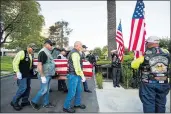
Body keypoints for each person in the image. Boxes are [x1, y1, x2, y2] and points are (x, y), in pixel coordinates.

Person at [131, 36, 170, 113]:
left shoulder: (144, 55)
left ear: (149, 43)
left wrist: (137, 59)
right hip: (163, 82)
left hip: (149, 83)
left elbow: (133, 65)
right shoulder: (166, 52)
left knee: (149, 104)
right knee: (161, 104)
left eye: (146, 43)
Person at [30, 39, 55, 110]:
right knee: (44, 90)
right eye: (50, 45)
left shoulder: (47, 52)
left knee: (47, 90)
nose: (51, 46)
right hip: (45, 75)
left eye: (52, 45)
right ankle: (33, 101)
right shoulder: (43, 52)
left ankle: (46, 103)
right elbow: (39, 65)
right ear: (46, 44)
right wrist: (42, 76)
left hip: (48, 74)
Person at [11, 43, 36, 111]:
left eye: (34, 49)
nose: (33, 50)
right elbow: (15, 62)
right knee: (23, 88)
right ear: (28, 47)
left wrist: (32, 71)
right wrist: (17, 72)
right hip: (21, 75)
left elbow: (29, 65)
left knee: (28, 88)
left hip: (28, 74)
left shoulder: (30, 55)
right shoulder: (22, 53)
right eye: (32, 49)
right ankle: (14, 102)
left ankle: (24, 101)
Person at [63, 41, 86, 113]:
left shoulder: (76, 52)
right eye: (81, 45)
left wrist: (80, 75)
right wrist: (82, 75)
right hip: (73, 75)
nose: (81, 47)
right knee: (72, 92)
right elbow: (77, 66)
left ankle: (77, 104)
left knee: (79, 90)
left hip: (76, 75)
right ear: (77, 46)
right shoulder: (75, 53)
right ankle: (66, 107)